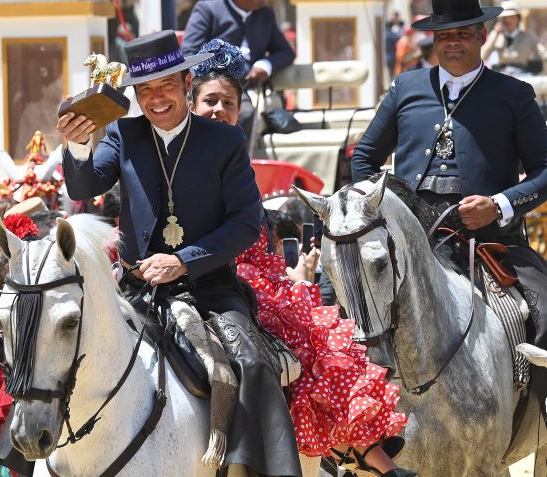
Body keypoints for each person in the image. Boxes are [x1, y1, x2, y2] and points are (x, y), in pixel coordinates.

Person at [59, 30, 300, 477]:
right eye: (145, 91)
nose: (156, 99)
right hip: (135, 289)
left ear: (187, 83)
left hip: (208, 288)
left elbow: (247, 223)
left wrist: (183, 259)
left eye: (166, 86)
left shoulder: (224, 141)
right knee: (63, 349)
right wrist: (77, 144)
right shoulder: (123, 134)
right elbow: (84, 186)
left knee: (251, 363)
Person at [190, 40, 415, 477]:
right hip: (214, 275)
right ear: (192, 103)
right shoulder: (179, 156)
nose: (218, 109)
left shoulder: (235, 156)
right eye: (209, 101)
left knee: (319, 338)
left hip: (258, 280)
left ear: (240, 110)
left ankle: (367, 452)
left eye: (228, 102)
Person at [352, 0, 547, 422]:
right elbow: (364, 159)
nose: (452, 42)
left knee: (546, 307)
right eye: (443, 35)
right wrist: (390, 209)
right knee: (345, 307)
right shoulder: (406, 88)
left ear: (481, 35)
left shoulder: (514, 95)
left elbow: (544, 171)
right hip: (412, 241)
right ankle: (349, 432)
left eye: (461, 33)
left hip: (490, 240)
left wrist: (499, 206)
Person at [181, 0, 295, 140]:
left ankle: (237, 160)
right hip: (211, 82)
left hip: (245, 86)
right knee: (241, 112)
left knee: (244, 113)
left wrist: (266, 64)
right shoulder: (208, 8)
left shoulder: (265, 14)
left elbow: (286, 52)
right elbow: (190, 54)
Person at [481, 0, 547, 74]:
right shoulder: (497, 36)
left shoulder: (528, 36)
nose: (507, 20)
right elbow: (483, 56)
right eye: (504, 17)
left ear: (518, 19)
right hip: (502, 74)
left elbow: (542, 53)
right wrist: (495, 34)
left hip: (522, 74)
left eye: (511, 17)